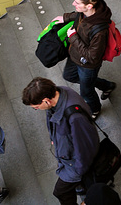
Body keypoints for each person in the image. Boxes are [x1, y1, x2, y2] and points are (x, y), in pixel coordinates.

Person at [22, 77, 100, 205]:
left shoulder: (75, 117)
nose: (36, 109)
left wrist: (79, 170)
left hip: (73, 165)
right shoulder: (61, 91)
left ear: (46, 101)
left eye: (36, 107)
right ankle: (81, 185)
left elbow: (85, 147)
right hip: (68, 156)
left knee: (60, 192)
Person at [53, 0, 117, 120]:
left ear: (89, 6)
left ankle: (94, 109)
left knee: (86, 92)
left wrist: (73, 38)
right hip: (74, 55)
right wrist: (65, 17)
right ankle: (106, 85)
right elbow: (78, 15)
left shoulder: (99, 31)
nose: (73, 4)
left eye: (77, 2)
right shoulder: (87, 11)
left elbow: (92, 57)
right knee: (68, 76)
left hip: (87, 65)